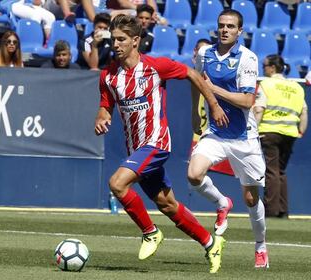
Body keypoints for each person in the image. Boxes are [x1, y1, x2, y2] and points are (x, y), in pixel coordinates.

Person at [94, 14, 229, 274]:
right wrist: (102, 117)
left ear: (135, 41)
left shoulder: (155, 67)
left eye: (121, 39)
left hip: (156, 142)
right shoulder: (108, 76)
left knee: (117, 184)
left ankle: (150, 232)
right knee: (167, 205)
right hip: (136, 149)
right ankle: (210, 243)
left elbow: (191, 73)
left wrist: (212, 104)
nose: (116, 44)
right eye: (113, 40)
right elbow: (105, 105)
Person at [187, 9, 269, 268]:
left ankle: (260, 246)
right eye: (221, 25)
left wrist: (214, 91)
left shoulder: (247, 58)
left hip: (244, 137)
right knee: (193, 174)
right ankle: (222, 203)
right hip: (216, 133)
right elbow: (195, 80)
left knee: (251, 199)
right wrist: (195, 109)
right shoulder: (204, 53)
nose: (224, 30)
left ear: (239, 31)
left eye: (230, 27)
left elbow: (247, 101)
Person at [253, 54, 308, 219]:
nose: (263, 69)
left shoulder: (266, 84)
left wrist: (253, 130)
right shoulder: (296, 87)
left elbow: (259, 109)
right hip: (290, 133)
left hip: (269, 131)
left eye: (264, 66)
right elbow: (304, 112)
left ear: (272, 68)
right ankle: (283, 210)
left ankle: (271, 210)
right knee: (281, 171)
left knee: (271, 171)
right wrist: (300, 131)